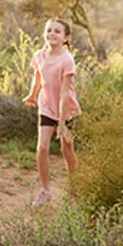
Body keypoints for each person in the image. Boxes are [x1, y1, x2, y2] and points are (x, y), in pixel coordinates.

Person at [23, 18, 80, 206]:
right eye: (49, 30)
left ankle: (75, 188)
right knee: (42, 148)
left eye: (57, 31)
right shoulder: (39, 55)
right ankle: (45, 191)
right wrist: (32, 94)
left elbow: (65, 93)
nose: (52, 34)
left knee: (67, 148)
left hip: (66, 109)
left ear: (66, 37)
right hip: (46, 106)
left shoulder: (67, 60)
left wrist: (62, 123)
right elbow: (38, 77)